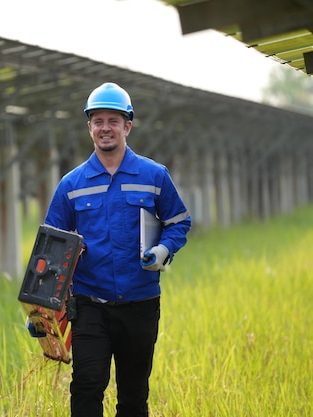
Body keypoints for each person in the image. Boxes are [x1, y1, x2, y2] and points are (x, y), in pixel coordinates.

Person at [43, 82, 192, 417]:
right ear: (89, 127)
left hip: (140, 304)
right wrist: (42, 309)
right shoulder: (72, 184)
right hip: (89, 305)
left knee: (134, 395)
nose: (105, 127)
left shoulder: (154, 175)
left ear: (127, 126)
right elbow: (52, 247)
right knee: (86, 386)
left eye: (113, 120)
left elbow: (179, 222)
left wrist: (164, 251)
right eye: (98, 121)